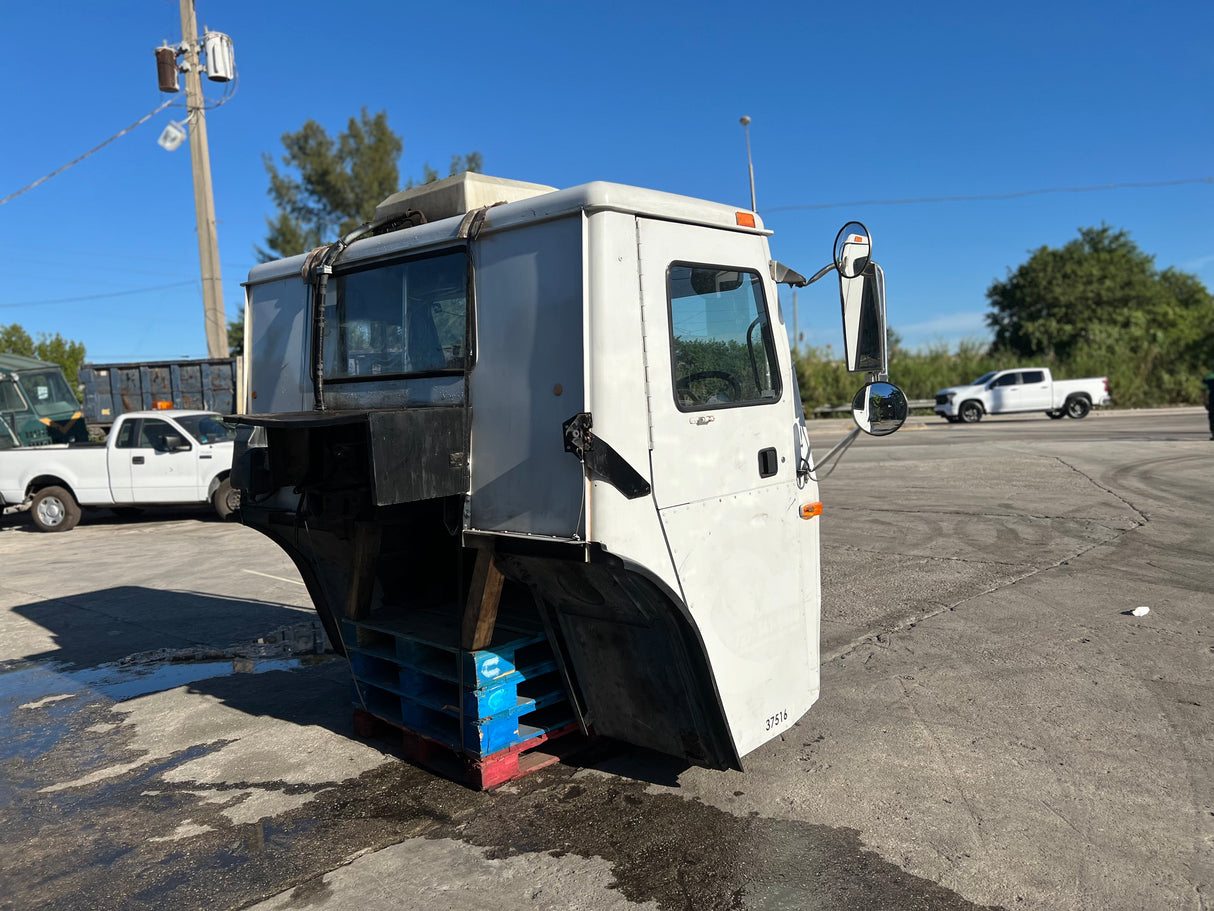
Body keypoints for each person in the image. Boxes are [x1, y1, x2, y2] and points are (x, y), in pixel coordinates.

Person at [1203, 366, 1214, 440]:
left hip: (1212, 398)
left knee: (1212, 417)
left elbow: (1203, 390)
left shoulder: (1207, 377)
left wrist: (1205, 401)